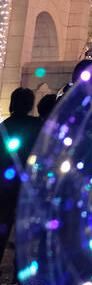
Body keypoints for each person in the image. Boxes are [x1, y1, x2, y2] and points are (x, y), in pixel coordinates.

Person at [0, 88, 43, 263]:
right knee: (25, 231)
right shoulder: (37, 125)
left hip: (5, 183)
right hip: (28, 184)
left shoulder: (4, 126)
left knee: (3, 224)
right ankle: (20, 270)